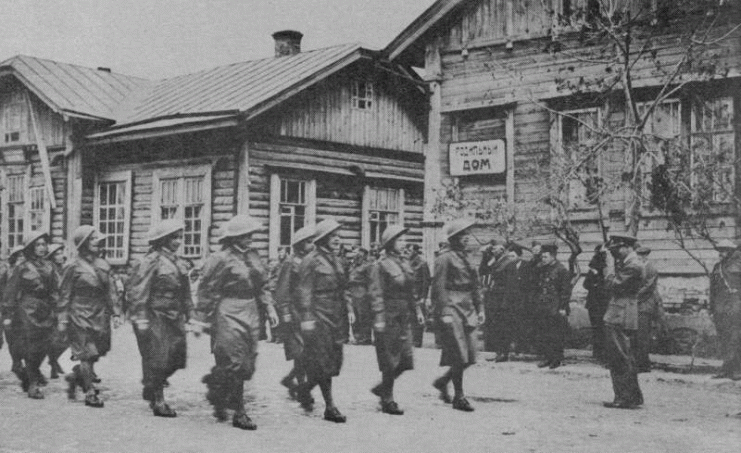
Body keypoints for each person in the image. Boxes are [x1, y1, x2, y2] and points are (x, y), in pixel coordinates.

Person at [196, 215, 279, 430]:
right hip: (228, 310)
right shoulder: (220, 258)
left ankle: (216, 387)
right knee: (235, 359)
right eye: (246, 235)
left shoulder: (253, 256)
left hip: (251, 310)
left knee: (248, 362)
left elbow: (263, 285)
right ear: (234, 237)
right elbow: (207, 288)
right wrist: (201, 319)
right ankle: (240, 413)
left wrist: (269, 307)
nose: (251, 238)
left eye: (251, 234)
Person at [126, 220, 192, 417]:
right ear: (163, 240)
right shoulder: (150, 261)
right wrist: (140, 317)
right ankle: (159, 401)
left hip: (175, 314)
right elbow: (139, 291)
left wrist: (190, 314)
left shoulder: (179, 262)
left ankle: (151, 384)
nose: (178, 241)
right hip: (156, 314)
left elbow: (185, 292)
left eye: (180, 237)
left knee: (177, 357)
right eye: (174, 238)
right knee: (159, 357)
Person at [295, 218, 354, 423]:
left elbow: (344, 286)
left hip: (336, 313)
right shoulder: (310, 260)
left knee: (334, 359)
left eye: (338, 236)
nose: (337, 240)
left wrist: (349, 308)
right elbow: (304, 291)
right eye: (333, 236)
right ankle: (330, 407)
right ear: (322, 239)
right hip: (319, 313)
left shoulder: (338, 260)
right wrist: (307, 317)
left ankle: (303, 388)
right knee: (323, 359)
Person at [59, 226, 122, 407]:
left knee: (98, 350)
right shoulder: (72, 266)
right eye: (93, 239)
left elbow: (111, 291)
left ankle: (78, 376)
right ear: (83, 243)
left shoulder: (103, 264)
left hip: (100, 313)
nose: (98, 242)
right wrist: (63, 318)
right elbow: (64, 294)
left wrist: (116, 313)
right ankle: (89, 392)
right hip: (79, 311)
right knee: (86, 353)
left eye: (98, 239)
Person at [368, 225, 425, 415]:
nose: (404, 243)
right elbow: (375, 294)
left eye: (404, 239)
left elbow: (411, 290)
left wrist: (417, 310)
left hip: (404, 315)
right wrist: (379, 318)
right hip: (389, 315)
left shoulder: (405, 262)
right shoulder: (381, 265)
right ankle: (388, 399)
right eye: (400, 240)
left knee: (406, 359)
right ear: (390, 243)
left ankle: (382, 388)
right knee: (390, 358)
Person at [431, 219, 484, 412]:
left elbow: (476, 285)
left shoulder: (468, 257)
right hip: (452, 306)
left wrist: (480, 309)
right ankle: (459, 397)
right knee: (459, 353)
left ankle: (443, 381)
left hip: (468, 305)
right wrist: (444, 311)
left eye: (468, 235)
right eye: (463, 235)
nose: (467, 238)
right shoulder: (444, 258)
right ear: (454, 238)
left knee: (470, 354)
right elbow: (438, 287)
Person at [1, 232, 59, 399]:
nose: (42, 248)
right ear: (31, 248)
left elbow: (56, 290)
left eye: (43, 244)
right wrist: (8, 314)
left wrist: (58, 309)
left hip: (46, 309)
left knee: (46, 345)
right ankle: (33, 383)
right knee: (31, 347)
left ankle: (29, 372)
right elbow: (11, 292)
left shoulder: (50, 266)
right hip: (27, 310)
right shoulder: (22, 267)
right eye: (38, 245)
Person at [602, 234, 644, 409]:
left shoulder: (633, 265)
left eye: (616, 249)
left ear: (627, 247)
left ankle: (625, 398)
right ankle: (632, 396)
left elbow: (612, 284)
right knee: (625, 356)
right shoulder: (630, 263)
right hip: (622, 311)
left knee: (619, 356)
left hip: (620, 313)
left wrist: (609, 266)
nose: (614, 253)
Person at [275, 224, 316, 398]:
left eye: (313, 241)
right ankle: (302, 387)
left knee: (311, 350)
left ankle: (290, 378)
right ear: (299, 244)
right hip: (295, 311)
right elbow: (282, 290)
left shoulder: (313, 261)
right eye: (308, 242)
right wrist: (285, 313)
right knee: (300, 351)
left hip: (311, 310)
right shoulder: (291, 262)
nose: (312, 245)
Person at [533, 242, 572, 369]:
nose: (542, 259)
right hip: (543, 305)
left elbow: (566, 291)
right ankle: (547, 357)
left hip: (555, 306)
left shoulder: (561, 270)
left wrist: (562, 307)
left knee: (556, 333)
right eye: (542, 257)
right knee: (544, 332)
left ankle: (557, 358)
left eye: (545, 257)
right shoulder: (542, 268)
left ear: (553, 257)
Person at [709, 239, 741, 380]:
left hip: (735, 306)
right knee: (723, 338)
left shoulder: (738, 265)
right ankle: (726, 368)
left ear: (730, 251)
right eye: (719, 250)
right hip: (719, 308)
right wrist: (711, 307)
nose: (720, 253)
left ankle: (737, 370)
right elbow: (713, 290)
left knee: (735, 338)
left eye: (723, 250)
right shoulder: (717, 267)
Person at [478, 239, 514, 355]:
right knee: (494, 326)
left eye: (494, 248)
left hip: (502, 300)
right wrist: (485, 255)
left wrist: (506, 303)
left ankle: (503, 352)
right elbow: (483, 271)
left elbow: (510, 285)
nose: (492, 250)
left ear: (502, 249)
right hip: (493, 299)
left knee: (502, 327)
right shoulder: (495, 261)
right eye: (491, 248)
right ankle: (495, 350)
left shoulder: (508, 262)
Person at [635, 246, 665, 373]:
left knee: (643, 335)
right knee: (637, 335)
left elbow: (648, 287)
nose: (641, 257)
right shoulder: (637, 268)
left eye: (643, 255)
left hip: (646, 304)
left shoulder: (651, 268)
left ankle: (644, 364)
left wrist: (633, 296)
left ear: (647, 255)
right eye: (639, 255)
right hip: (637, 304)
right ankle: (639, 362)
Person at [2, 246, 26, 378]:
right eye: (19, 256)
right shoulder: (6, 270)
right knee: (11, 337)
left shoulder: (27, 271)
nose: (22, 258)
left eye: (23, 256)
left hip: (23, 309)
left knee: (22, 337)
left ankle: (19, 362)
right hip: (8, 308)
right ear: (14, 257)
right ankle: (16, 362)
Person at [45, 242, 68, 379]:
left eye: (61, 253)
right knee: (56, 338)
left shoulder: (63, 269)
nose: (62, 256)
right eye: (58, 254)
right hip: (52, 308)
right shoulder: (50, 270)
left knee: (64, 339)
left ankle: (53, 360)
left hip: (62, 307)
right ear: (52, 257)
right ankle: (53, 363)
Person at [584, 245, 609, 362]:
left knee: (602, 328)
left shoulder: (607, 269)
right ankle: (598, 353)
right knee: (597, 328)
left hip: (602, 303)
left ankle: (602, 353)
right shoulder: (594, 267)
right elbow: (585, 284)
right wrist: (594, 281)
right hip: (594, 303)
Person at [406, 243, 431, 348]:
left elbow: (426, 281)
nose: (407, 252)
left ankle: (417, 342)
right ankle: (411, 340)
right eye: (406, 250)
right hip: (409, 294)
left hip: (418, 295)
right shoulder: (407, 262)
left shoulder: (422, 263)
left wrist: (424, 297)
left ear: (416, 251)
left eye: (410, 250)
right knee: (410, 318)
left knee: (418, 318)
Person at [348, 247, 374, 345]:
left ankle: (365, 337)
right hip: (353, 291)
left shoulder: (367, 266)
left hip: (362, 291)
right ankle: (357, 337)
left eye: (357, 252)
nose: (354, 254)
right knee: (354, 315)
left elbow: (370, 280)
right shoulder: (353, 265)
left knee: (363, 315)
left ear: (362, 254)